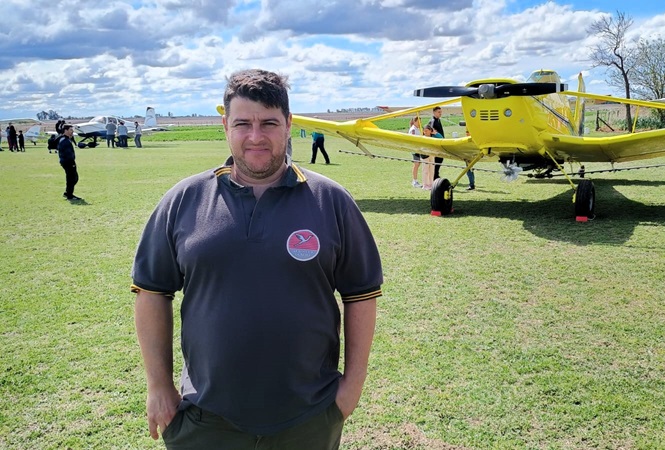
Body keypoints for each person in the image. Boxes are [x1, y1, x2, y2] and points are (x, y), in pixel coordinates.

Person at [131, 69, 382, 449]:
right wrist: (159, 385)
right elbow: (151, 291)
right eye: (242, 123)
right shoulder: (185, 200)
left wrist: (352, 386)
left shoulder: (330, 200)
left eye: (268, 123)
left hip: (308, 417)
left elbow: (360, 294)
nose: (255, 136)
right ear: (225, 126)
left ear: (288, 124)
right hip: (205, 418)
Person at [57, 125, 81, 201]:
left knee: (74, 178)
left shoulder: (65, 139)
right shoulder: (64, 140)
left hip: (67, 161)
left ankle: (68, 192)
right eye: (71, 130)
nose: (72, 131)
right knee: (72, 178)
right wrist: (72, 162)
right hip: (68, 162)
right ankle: (69, 195)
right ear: (66, 130)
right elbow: (67, 154)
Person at [427, 106, 445, 180]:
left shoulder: (438, 120)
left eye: (441, 112)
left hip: (440, 143)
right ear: (434, 112)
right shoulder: (432, 121)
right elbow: (430, 132)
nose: (440, 113)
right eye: (439, 112)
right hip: (435, 144)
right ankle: (434, 176)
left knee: (440, 159)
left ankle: (436, 174)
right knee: (437, 159)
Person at [408, 117, 423, 188]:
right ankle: (414, 181)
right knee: (416, 164)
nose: (420, 123)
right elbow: (412, 139)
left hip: (418, 149)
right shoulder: (413, 129)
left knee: (418, 164)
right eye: (418, 121)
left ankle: (415, 180)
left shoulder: (417, 129)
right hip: (415, 150)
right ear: (414, 121)